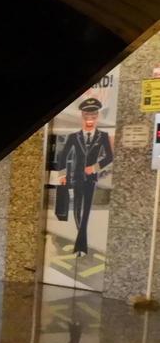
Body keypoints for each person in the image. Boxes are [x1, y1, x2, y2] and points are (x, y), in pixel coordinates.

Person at [59, 97, 114, 255]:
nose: (89, 121)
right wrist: (62, 175)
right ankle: (81, 238)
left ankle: (80, 246)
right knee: (76, 209)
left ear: (97, 117)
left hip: (90, 180)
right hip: (76, 178)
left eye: (93, 117)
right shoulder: (74, 137)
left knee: (86, 211)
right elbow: (63, 157)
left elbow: (109, 157)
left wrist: (95, 167)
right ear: (82, 117)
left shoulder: (102, 136)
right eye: (86, 117)